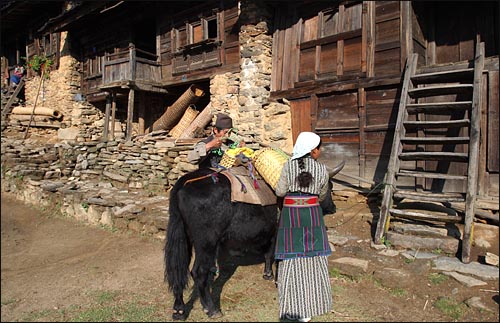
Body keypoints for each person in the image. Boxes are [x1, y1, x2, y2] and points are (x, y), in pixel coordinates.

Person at [274, 131, 333, 322]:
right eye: (318, 147)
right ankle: (308, 309)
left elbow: (280, 191)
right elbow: (322, 196)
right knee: (312, 259)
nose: (320, 150)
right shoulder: (322, 170)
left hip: (291, 216)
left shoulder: (288, 166)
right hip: (313, 217)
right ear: (312, 150)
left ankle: (291, 308)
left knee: (292, 259)